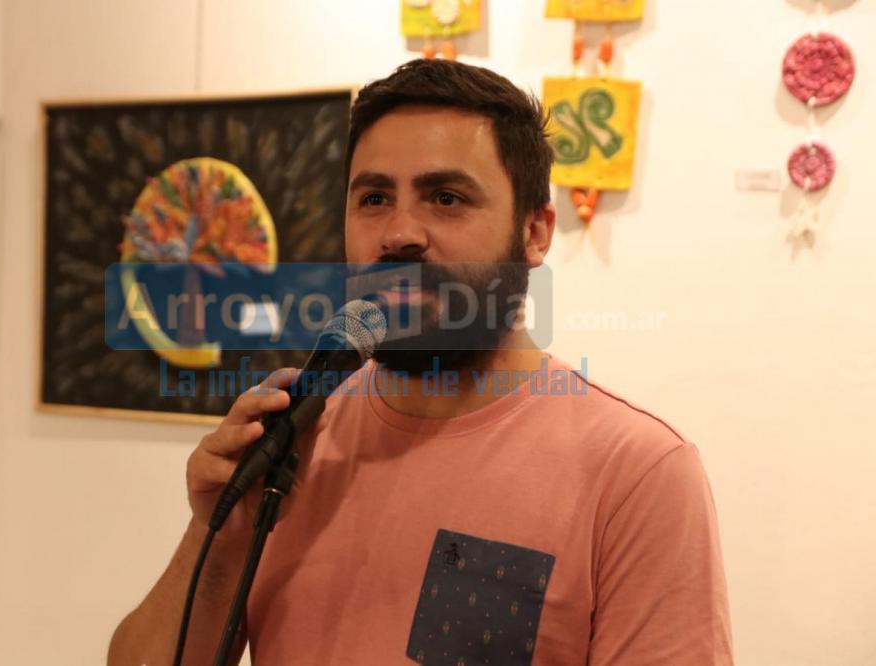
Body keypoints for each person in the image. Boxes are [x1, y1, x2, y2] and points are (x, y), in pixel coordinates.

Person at [108, 59, 733, 666]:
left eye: (446, 197)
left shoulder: (638, 474)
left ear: (535, 232)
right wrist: (220, 540)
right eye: (375, 198)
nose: (399, 232)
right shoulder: (298, 438)